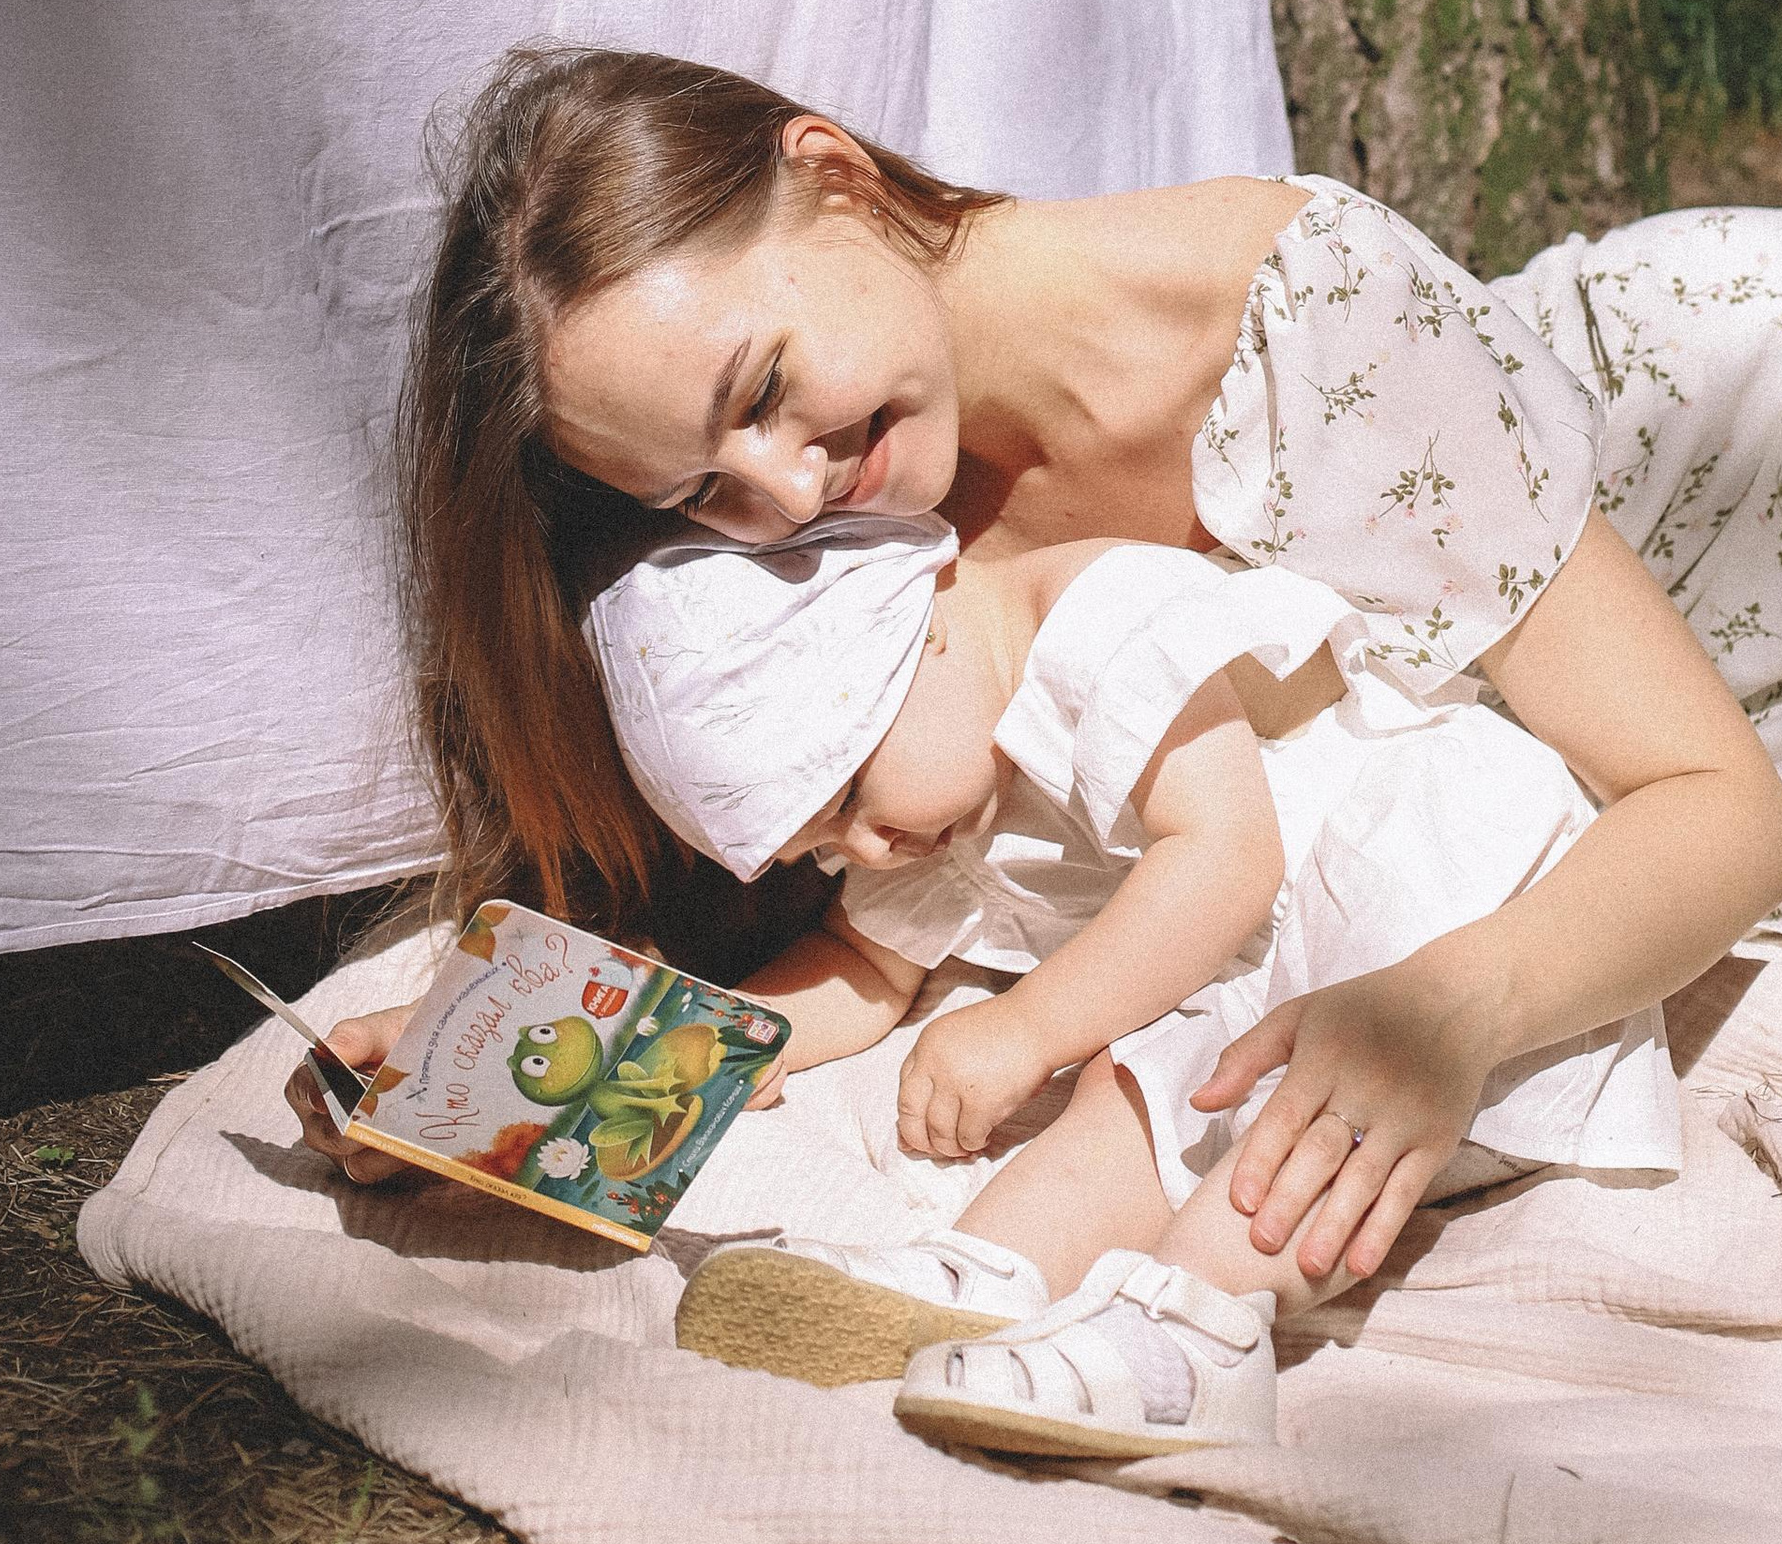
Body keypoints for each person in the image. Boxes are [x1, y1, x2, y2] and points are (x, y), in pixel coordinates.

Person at [290, 47, 1782, 1295]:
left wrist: (1455, 1008)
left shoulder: (1286, 313)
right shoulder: (860, 531)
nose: (785, 484)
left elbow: (1721, 817)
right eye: (707, 488)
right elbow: (903, 924)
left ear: (839, 177)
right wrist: (517, 1072)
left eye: (765, 392)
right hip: (1596, 726)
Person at [576, 503, 1679, 1460]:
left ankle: (1199, 1331)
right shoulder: (934, 806)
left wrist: (1025, 1026)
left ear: (923, 633)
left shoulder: (1097, 616)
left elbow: (1224, 858)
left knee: (1286, 1092)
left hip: (1444, 909)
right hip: (1254, 976)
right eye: (817, 846)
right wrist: (708, 1042)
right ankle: (983, 1277)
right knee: (1140, 1083)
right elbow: (866, 962)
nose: (861, 850)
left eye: (848, 791)